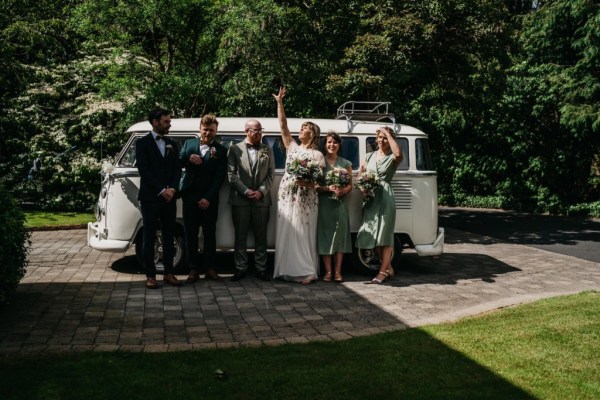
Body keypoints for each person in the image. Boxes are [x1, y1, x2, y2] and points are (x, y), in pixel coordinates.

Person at [272, 87, 325, 284]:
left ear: (312, 133)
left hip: (306, 198)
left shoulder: (317, 155)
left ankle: (308, 271)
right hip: (287, 195)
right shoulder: (291, 147)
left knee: (303, 232)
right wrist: (280, 103)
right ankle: (288, 269)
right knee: (288, 229)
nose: (301, 129)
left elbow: (318, 179)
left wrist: (307, 182)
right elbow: (283, 125)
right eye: (301, 127)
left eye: (305, 127)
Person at [135, 108, 183, 289]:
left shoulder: (172, 143)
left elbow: (177, 169)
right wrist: (162, 190)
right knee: (149, 235)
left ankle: (169, 273)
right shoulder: (142, 143)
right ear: (155, 122)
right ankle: (150, 275)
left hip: (169, 197)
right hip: (150, 197)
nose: (169, 123)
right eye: (166, 121)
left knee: (169, 235)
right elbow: (144, 170)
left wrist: (172, 188)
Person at [178, 114, 227, 283]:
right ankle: (193, 269)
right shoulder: (189, 145)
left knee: (209, 234)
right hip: (190, 196)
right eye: (205, 129)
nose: (208, 133)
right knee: (190, 233)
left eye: (211, 130)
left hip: (209, 199)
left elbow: (219, 177)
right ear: (200, 129)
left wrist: (208, 197)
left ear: (216, 131)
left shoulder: (220, 150)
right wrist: (187, 158)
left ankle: (210, 268)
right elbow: (178, 162)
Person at [227, 119, 276, 281]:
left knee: (261, 236)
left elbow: (270, 174)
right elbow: (231, 175)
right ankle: (240, 268)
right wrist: (246, 191)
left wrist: (261, 192)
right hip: (240, 200)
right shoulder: (234, 149)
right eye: (256, 130)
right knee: (240, 236)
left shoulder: (267, 150)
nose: (259, 133)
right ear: (247, 131)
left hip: (262, 201)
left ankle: (261, 269)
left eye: (260, 130)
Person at [355, 126, 403, 284]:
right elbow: (360, 174)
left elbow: (398, 154)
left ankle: (382, 272)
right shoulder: (369, 156)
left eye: (385, 138)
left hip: (384, 196)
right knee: (372, 234)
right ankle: (388, 266)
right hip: (370, 198)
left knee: (384, 234)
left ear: (390, 140)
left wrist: (388, 133)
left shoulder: (392, 157)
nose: (381, 140)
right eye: (379, 137)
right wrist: (363, 185)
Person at [316, 131, 353, 283]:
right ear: (325, 145)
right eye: (329, 142)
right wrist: (327, 188)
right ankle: (328, 271)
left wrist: (343, 190)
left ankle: (338, 271)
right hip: (325, 204)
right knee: (325, 237)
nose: (332, 145)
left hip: (340, 204)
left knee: (339, 237)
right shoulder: (320, 162)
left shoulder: (346, 163)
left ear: (339, 145)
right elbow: (316, 186)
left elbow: (351, 185)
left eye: (335, 142)